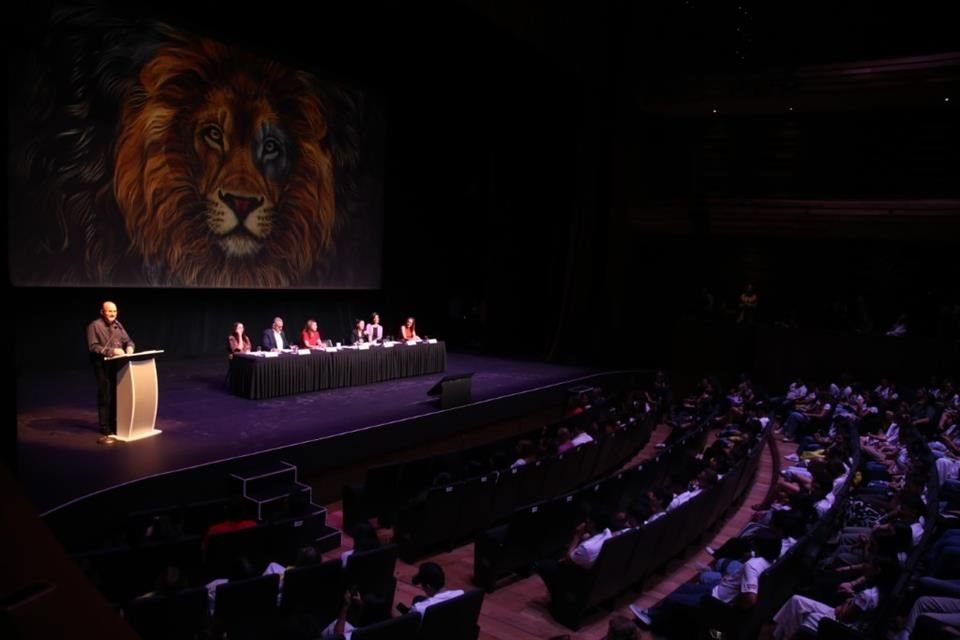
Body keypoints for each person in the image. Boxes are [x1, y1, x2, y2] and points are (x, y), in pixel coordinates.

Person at [87, 300, 135, 444]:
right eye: (109, 311)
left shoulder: (118, 325)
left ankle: (115, 424)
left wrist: (130, 348)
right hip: (102, 365)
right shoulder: (94, 326)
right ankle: (105, 427)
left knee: (117, 395)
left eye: (114, 311)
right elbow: (93, 346)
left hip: (117, 365)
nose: (112, 314)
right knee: (105, 395)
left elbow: (129, 341)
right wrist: (112, 351)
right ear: (102, 312)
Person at [397, 562, 464, 616]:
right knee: (418, 598)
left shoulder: (419, 609)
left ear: (428, 587)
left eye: (423, 586)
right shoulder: (461, 594)